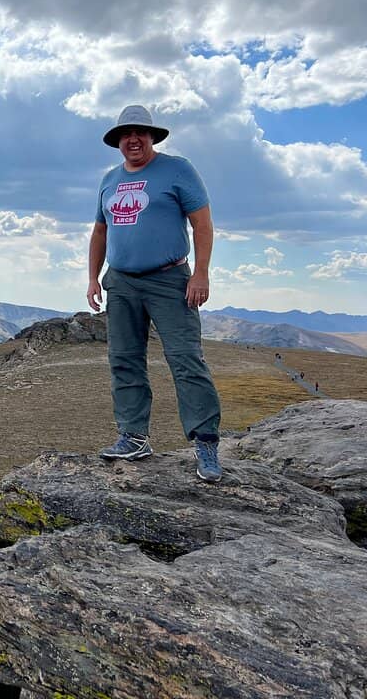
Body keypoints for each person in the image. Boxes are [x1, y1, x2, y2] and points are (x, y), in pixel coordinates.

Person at [87, 104, 223, 482]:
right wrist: (93, 277)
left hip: (170, 280)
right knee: (125, 359)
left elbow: (203, 224)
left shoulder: (178, 169)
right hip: (121, 281)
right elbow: (100, 232)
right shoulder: (109, 180)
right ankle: (133, 437)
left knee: (185, 359)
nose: (132, 140)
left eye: (140, 133)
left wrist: (201, 273)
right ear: (117, 142)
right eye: (125, 135)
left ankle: (206, 443)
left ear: (152, 137)